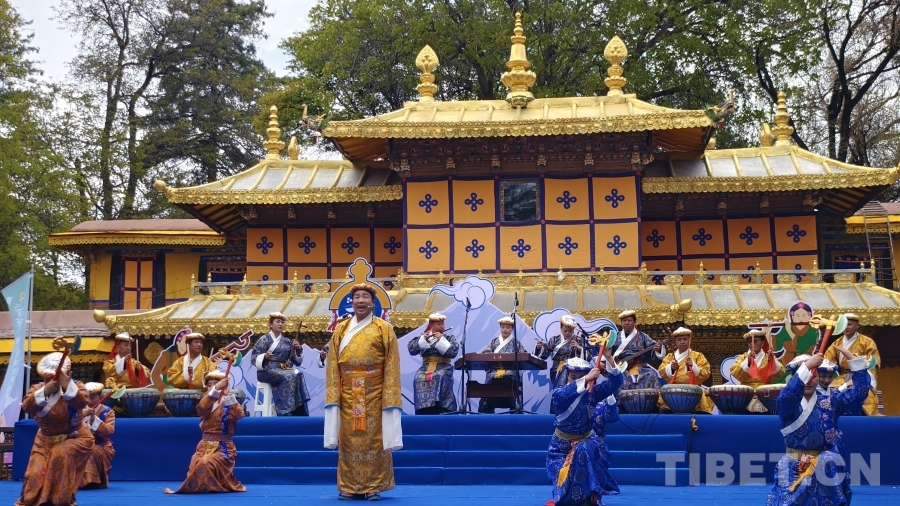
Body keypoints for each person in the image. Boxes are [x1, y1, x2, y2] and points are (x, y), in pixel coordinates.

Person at [324, 283, 403, 501]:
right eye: (357, 297)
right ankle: (349, 485)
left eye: (365, 297)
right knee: (348, 439)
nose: (361, 300)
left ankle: (373, 485)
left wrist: (389, 394)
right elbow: (332, 362)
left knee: (374, 439)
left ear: (373, 303)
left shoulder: (383, 328)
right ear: (352, 302)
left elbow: (392, 363)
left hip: (374, 392)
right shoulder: (341, 329)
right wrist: (334, 394)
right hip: (348, 391)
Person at [765, 348, 869, 506]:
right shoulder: (786, 404)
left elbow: (858, 394)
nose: (808, 381)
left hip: (825, 468)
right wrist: (808, 366)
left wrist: (856, 363)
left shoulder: (831, 401)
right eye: (804, 375)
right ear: (794, 378)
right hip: (793, 467)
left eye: (813, 376)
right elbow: (788, 395)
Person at [16, 351, 94, 506]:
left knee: (59, 455)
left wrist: (66, 386)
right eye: (47, 378)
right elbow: (27, 406)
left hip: (75, 436)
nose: (50, 380)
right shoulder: (37, 388)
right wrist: (45, 391)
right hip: (45, 440)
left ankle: (59, 502)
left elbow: (81, 403)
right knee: (34, 474)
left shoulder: (77, 387)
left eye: (53, 377)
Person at [547, 351, 624, 506]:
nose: (577, 379)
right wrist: (586, 379)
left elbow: (615, 382)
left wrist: (609, 358)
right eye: (573, 377)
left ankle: (589, 496)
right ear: (567, 376)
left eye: (581, 376)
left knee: (583, 450)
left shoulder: (593, 393)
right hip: (560, 446)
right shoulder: (559, 394)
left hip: (585, 441)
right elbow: (563, 397)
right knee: (561, 478)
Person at [165, 370, 247, 494]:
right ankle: (204, 486)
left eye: (216, 384)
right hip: (203, 446)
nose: (213, 387)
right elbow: (202, 409)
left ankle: (214, 485)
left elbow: (239, 414)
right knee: (197, 463)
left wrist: (227, 394)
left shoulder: (228, 402)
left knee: (206, 461)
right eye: (210, 385)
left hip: (223, 448)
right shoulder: (206, 403)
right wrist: (216, 389)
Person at [251, 312, 311, 416]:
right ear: (271, 324)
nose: (280, 324)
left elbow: (296, 361)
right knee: (289, 376)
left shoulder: (287, 341)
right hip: (267, 370)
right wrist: (264, 356)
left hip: (283, 369)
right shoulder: (264, 339)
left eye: (282, 322)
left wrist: (298, 349)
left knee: (298, 373)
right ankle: (285, 410)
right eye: (278, 322)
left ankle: (299, 409)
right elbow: (253, 357)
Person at [823, 313, 881, 415]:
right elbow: (828, 361)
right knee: (830, 392)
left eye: (849, 324)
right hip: (842, 377)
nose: (846, 327)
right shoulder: (836, 343)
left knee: (866, 395)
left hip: (861, 376)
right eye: (844, 324)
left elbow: (873, 362)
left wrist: (861, 372)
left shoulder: (867, 342)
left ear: (857, 326)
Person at [407, 312, 460, 414]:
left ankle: (442, 407)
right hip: (425, 367)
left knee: (440, 376)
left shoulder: (449, 337)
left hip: (444, 367)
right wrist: (423, 340)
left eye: (442, 324)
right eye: (439, 324)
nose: (442, 326)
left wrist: (441, 339)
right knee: (418, 377)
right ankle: (424, 408)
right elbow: (411, 350)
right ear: (431, 325)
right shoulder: (424, 336)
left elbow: (453, 352)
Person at [478, 315, 528, 414]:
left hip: (510, 372)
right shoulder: (494, 342)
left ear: (512, 329)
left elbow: (523, 356)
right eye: (503, 327)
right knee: (491, 378)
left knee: (509, 376)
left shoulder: (516, 343)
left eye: (508, 327)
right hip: (494, 371)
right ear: (500, 328)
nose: (505, 329)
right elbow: (486, 354)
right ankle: (487, 407)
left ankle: (513, 407)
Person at [657, 327, 714, 414]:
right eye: (679, 339)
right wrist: (671, 368)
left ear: (689, 340)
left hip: (693, 388)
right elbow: (661, 371)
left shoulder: (698, 356)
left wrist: (693, 366)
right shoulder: (670, 357)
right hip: (673, 388)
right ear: (675, 342)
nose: (682, 342)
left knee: (701, 394)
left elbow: (706, 372)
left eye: (685, 339)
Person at [609, 310, 664, 391]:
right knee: (617, 377)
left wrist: (658, 350)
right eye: (624, 320)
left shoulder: (643, 337)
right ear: (621, 323)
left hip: (641, 369)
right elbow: (608, 352)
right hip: (621, 368)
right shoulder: (615, 337)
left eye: (629, 320)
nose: (626, 323)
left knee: (652, 374)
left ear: (634, 322)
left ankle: (651, 398)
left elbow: (653, 350)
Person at [535, 315, 591, 392]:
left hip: (573, 370)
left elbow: (589, 356)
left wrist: (579, 348)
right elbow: (545, 353)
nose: (567, 333)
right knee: (558, 386)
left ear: (573, 330)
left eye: (570, 331)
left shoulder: (578, 340)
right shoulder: (554, 339)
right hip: (556, 368)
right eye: (565, 331)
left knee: (569, 388)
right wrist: (539, 347)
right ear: (561, 329)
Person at [79, 382, 116, 489]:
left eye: (93, 397)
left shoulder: (108, 412)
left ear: (100, 396)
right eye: (86, 397)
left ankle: (91, 480)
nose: (90, 401)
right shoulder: (78, 409)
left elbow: (109, 430)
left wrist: (94, 419)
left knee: (91, 450)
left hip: (100, 444)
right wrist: (80, 415)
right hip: (79, 442)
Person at [772, 302, 818, 381]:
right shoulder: (786, 328)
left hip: (807, 361)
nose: (801, 318)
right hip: (786, 361)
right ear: (792, 317)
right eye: (798, 316)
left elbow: (802, 347)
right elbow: (776, 347)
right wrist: (767, 332)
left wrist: (789, 331)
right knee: (774, 375)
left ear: (809, 317)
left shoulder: (814, 330)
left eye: (804, 316)